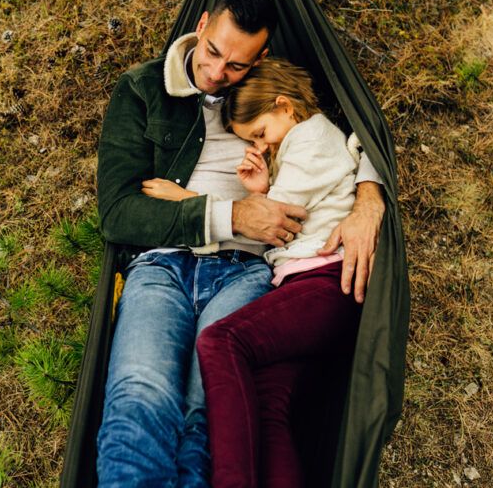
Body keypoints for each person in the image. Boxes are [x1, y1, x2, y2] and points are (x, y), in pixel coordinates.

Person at [96, 0, 385, 487]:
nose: (216, 72)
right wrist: (230, 215)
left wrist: (370, 198)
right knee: (138, 399)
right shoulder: (143, 88)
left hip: (246, 271)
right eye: (213, 52)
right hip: (162, 264)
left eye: (235, 65)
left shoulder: (268, 98)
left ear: (261, 59)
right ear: (201, 25)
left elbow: (358, 136)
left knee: (207, 411)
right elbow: (119, 212)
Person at [145, 58, 365, 487]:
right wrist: (263, 190)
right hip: (306, 285)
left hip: (322, 281)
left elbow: (272, 221)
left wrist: (183, 199)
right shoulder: (298, 143)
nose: (261, 147)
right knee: (266, 405)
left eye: (261, 134)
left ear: (285, 105)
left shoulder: (311, 135)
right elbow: (281, 210)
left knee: (221, 340)